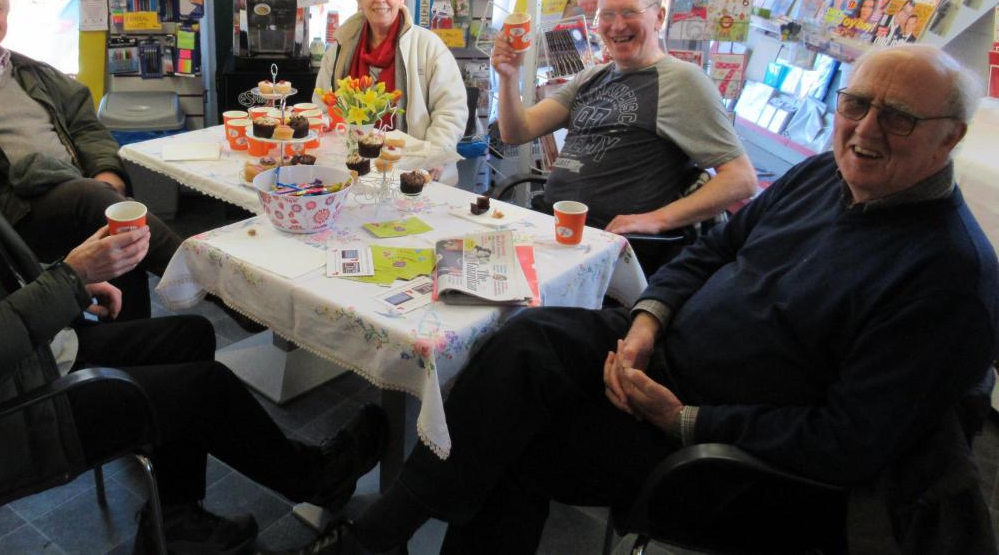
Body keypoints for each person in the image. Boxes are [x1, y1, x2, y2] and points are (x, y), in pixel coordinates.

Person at [270, 44, 999, 554]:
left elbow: (847, 444)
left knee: (511, 442)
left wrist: (681, 417)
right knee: (524, 342)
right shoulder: (821, 176)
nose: (866, 130)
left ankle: (374, 536)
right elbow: (714, 249)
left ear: (950, 139)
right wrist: (647, 321)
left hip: (732, 458)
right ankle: (381, 534)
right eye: (856, 104)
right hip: (664, 357)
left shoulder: (948, 278)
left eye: (898, 117)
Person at [0, 28, 385, 555]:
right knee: (201, 387)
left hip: (30, 358)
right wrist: (68, 278)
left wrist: (71, 291)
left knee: (192, 333)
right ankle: (314, 476)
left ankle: (175, 520)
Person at [0, 0, 178, 321]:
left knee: (115, 221)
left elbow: (87, 127)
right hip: (9, 210)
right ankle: (205, 277)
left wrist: (107, 175)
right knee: (103, 206)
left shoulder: (36, 73)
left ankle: (133, 333)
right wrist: (96, 193)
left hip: (74, 192)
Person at [491, 0, 757, 236]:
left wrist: (658, 220)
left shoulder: (682, 80)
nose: (617, 26)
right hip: (554, 225)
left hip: (610, 241)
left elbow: (741, 179)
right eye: (607, 15)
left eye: (630, 12)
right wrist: (509, 77)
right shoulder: (590, 77)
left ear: (659, 18)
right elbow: (516, 131)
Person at [316, 0, 467, 182]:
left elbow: (451, 109)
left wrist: (435, 155)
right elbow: (322, 106)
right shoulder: (340, 47)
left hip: (415, 173)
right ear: (359, 0)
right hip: (351, 170)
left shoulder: (428, 46)